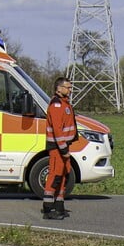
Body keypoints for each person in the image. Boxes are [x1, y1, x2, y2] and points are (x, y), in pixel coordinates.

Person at [42, 77, 77, 219]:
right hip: (58, 147)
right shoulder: (56, 105)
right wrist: (63, 149)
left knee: (63, 176)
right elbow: (57, 129)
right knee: (55, 176)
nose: (70, 90)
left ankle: (59, 207)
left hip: (63, 146)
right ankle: (48, 209)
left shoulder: (64, 103)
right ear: (59, 88)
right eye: (68, 87)